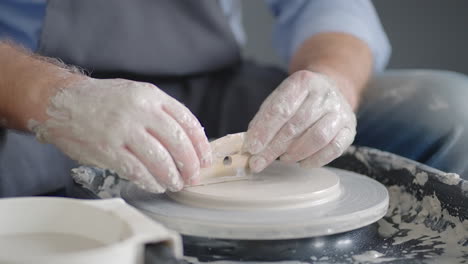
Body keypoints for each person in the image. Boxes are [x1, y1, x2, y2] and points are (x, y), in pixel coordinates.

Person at [0, 0, 466, 197]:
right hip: (31, 107)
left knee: (447, 110)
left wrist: (332, 83)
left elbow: (326, 7)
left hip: (212, 89)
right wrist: (55, 98)